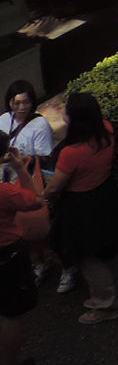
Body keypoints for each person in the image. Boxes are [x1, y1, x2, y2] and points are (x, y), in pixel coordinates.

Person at [44, 92, 118, 323]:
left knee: (89, 258)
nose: (62, 111)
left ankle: (105, 306)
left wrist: (44, 194)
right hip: (106, 198)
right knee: (109, 251)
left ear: (75, 118)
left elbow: (54, 188)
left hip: (81, 208)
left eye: (66, 109)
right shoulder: (107, 130)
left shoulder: (71, 153)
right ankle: (117, 296)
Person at [0, 86, 53, 288]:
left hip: (28, 178)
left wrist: (22, 162)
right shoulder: (4, 120)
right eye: (16, 102)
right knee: (26, 222)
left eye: (26, 102)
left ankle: (45, 259)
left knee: (35, 221)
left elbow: (44, 156)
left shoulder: (39, 125)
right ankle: (38, 261)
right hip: (11, 180)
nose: (21, 107)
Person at [0, 139, 43, 365]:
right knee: (10, 314)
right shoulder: (5, 193)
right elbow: (37, 200)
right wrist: (19, 168)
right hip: (7, 254)